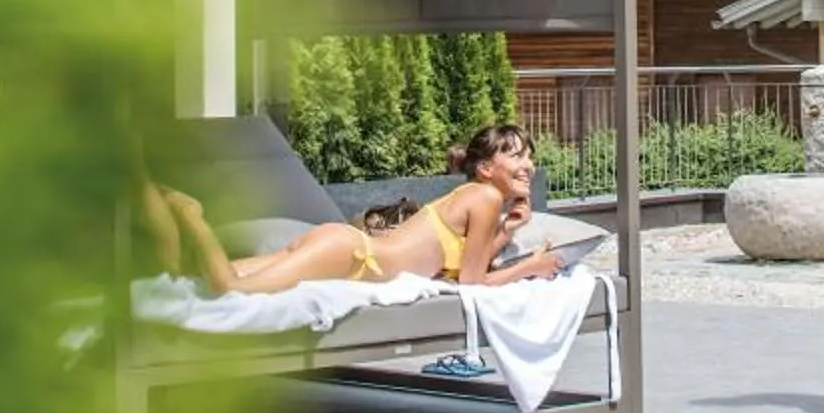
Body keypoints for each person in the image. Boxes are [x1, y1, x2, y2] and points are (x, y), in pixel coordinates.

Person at [140, 123, 567, 295]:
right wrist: (531, 267)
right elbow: (473, 283)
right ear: (487, 168)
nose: (528, 165)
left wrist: (508, 232)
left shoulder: (474, 198)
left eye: (529, 156)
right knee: (230, 289)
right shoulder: (486, 198)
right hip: (354, 257)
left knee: (196, 280)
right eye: (517, 156)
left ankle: (166, 224)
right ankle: (190, 215)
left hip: (347, 247)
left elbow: (467, 262)